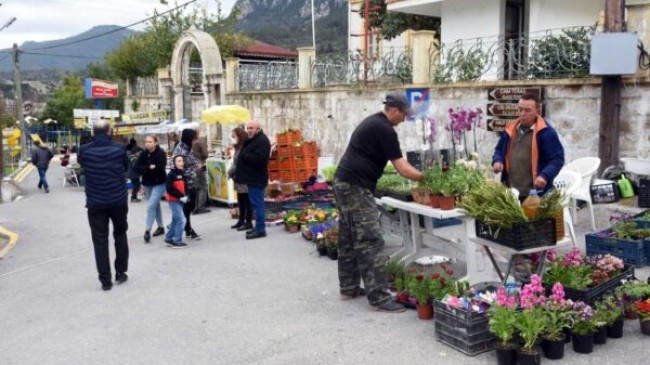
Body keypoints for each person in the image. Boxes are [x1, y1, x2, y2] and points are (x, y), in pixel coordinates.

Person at [334, 92, 423, 313]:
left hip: (344, 182)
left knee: (348, 236)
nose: (403, 120)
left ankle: (349, 287)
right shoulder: (384, 129)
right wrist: (426, 178)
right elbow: (402, 168)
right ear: (393, 110)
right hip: (356, 186)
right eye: (403, 115)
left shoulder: (372, 122)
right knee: (370, 240)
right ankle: (380, 298)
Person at [78, 119, 130, 291]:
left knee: (100, 241)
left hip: (95, 202)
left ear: (93, 132)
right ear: (110, 131)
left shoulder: (84, 151)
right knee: (120, 234)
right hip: (118, 200)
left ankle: (105, 280)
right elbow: (125, 167)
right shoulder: (120, 149)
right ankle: (120, 272)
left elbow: (83, 166)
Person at [492, 93, 565, 201]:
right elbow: (499, 150)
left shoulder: (546, 133)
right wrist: (498, 161)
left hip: (535, 195)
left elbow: (557, 159)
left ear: (537, 110)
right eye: (520, 109)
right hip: (510, 193)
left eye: (527, 110)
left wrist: (544, 175)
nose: (522, 114)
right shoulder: (510, 129)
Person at [235, 120, 271, 240]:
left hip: (257, 178)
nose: (249, 130)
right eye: (248, 127)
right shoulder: (255, 139)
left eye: (251, 128)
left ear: (258, 129)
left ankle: (261, 230)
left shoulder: (262, 141)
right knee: (255, 204)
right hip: (252, 177)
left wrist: (245, 155)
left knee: (258, 204)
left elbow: (260, 159)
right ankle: (258, 227)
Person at [136, 135, 168, 243]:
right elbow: (137, 168)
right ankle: (161, 227)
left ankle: (147, 230)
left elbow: (160, 168)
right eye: (146, 142)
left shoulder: (161, 153)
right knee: (155, 204)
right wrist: (149, 167)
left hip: (159, 183)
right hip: (147, 183)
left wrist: (146, 168)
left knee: (151, 206)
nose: (147, 144)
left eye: (150, 142)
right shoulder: (143, 154)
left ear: (156, 143)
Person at [173, 129, 200, 239]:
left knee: (191, 205)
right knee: (187, 206)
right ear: (189, 138)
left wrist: (195, 165)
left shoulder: (188, 148)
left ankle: (185, 227)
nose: (195, 141)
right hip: (184, 183)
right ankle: (186, 228)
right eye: (194, 139)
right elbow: (178, 167)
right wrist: (192, 169)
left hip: (191, 182)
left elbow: (190, 161)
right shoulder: (181, 150)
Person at [228, 126, 253, 231]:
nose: (233, 137)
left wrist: (230, 172)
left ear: (239, 135)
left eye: (234, 135)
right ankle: (241, 220)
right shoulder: (238, 147)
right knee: (240, 200)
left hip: (244, 176)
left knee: (246, 200)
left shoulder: (244, 147)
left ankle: (248, 222)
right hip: (238, 177)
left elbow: (238, 162)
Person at [164, 155, 189, 248]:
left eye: (182, 161)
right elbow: (169, 189)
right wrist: (181, 195)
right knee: (182, 220)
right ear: (174, 163)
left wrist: (186, 195)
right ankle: (177, 241)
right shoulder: (171, 174)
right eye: (179, 161)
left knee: (175, 220)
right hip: (173, 200)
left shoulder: (182, 174)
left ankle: (169, 238)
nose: (181, 162)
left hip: (181, 200)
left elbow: (185, 187)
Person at [192, 132, 211, 214]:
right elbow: (205, 154)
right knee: (202, 186)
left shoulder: (189, 142)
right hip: (199, 165)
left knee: (196, 187)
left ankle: (195, 206)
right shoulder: (198, 142)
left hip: (192, 165)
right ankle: (201, 207)